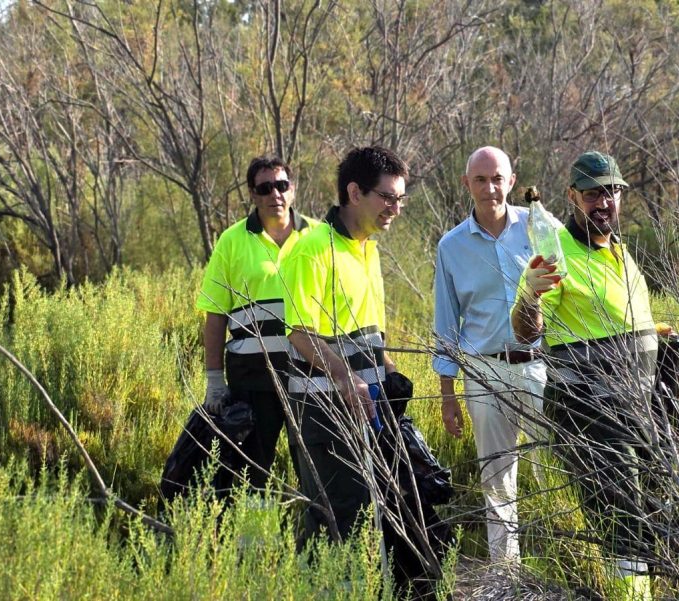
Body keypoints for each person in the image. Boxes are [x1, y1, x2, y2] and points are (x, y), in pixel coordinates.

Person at [510, 150, 659, 598]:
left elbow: (619, 321)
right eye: (593, 194)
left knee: (653, 508)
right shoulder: (555, 253)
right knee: (622, 515)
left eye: (612, 192)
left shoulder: (619, 251)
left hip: (638, 409)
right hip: (590, 411)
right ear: (572, 196)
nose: (604, 202)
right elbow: (525, 331)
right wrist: (531, 297)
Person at [281, 145, 408, 543]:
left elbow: (371, 334)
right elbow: (299, 333)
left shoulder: (368, 248)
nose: (395, 209)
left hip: (367, 408)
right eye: (387, 197)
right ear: (355, 193)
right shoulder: (311, 249)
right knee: (334, 523)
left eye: (400, 199)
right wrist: (345, 377)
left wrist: (390, 372)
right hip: (324, 412)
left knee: (372, 519)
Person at [432, 146, 547, 570]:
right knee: (497, 480)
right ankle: (506, 573)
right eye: (480, 180)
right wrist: (448, 394)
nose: (490, 188)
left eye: (497, 178)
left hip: (540, 366)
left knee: (554, 464)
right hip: (484, 371)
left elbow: (569, 288)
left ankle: (563, 561)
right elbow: (446, 323)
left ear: (511, 181)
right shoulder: (451, 247)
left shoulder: (538, 227)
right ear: (467, 184)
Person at [190, 156, 317, 494]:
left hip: (310, 374)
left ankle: (317, 524)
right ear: (252, 194)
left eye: (282, 185)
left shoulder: (319, 236)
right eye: (265, 188)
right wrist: (214, 380)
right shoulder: (232, 240)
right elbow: (215, 314)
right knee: (251, 471)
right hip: (252, 377)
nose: (275, 194)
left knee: (316, 465)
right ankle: (252, 527)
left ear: (293, 189)